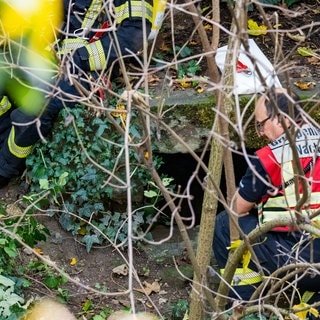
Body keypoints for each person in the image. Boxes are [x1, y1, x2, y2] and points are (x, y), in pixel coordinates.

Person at [0, 0, 153, 188]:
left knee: (38, 106)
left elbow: (133, 37)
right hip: (47, 55)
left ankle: (4, 168)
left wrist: (80, 59)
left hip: (86, 70)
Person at [213, 88, 320, 303]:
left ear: (281, 119)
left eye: (261, 124)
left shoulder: (270, 157)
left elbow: (237, 208)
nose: (260, 132)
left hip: (300, 262)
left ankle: (243, 302)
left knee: (226, 223)